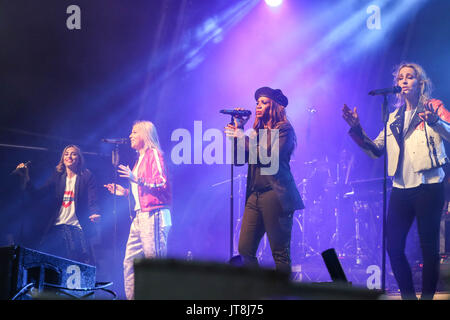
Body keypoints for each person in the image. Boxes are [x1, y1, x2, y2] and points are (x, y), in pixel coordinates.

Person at [342, 62, 450, 300]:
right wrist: (357, 129)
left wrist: (434, 121)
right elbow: (376, 150)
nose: (403, 81)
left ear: (420, 83)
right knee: (393, 247)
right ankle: (409, 297)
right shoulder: (394, 118)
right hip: (401, 188)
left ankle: (428, 297)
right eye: (400, 78)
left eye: (409, 77)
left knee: (428, 248)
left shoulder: (434, 107)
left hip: (428, 186)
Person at [224, 87, 304, 275]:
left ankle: (284, 295)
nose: (258, 106)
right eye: (257, 102)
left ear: (275, 106)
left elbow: (268, 157)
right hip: (254, 196)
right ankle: (260, 291)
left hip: (275, 194)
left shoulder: (284, 129)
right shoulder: (256, 132)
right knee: (245, 250)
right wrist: (239, 132)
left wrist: (242, 137)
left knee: (279, 253)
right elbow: (239, 160)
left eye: (263, 102)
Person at [104, 120, 172, 300]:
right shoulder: (139, 159)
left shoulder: (154, 154)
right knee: (130, 262)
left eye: (134, 132)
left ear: (145, 135)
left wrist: (136, 179)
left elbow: (161, 182)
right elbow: (141, 190)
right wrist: (125, 192)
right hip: (140, 215)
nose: (130, 136)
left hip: (154, 214)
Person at [15, 145, 101, 265]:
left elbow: (92, 200)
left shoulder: (86, 176)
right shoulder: (58, 176)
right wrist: (26, 177)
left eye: (73, 154)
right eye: (66, 154)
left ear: (79, 158)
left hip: (77, 226)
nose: (69, 156)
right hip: (58, 226)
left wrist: (94, 213)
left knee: (78, 262)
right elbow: (38, 195)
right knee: (47, 259)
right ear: (62, 158)